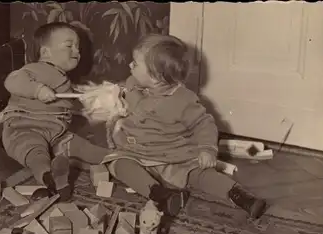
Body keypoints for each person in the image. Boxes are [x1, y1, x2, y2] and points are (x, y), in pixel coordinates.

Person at [102, 34, 267, 219]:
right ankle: (160, 195)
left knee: (201, 174)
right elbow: (124, 97)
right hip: (137, 153)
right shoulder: (132, 83)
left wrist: (207, 149)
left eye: (136, 63)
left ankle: (240, 196)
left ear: (155, 77)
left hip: (177, 158)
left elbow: (204, 124)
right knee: (118, 163)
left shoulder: (183, 100)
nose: (130, 65)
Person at [1, 22, 109, 201]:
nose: (77, 51)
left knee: (83, 147)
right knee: (34, 150)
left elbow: (68, 103)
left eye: (78, 47)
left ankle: (114, 159)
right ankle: (48, 176)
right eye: (69, 45)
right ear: (45, 52)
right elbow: (12, 81)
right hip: (25, 128)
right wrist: (37, 90)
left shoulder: (63, 78)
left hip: (57, 133)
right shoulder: (36, 69)